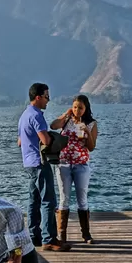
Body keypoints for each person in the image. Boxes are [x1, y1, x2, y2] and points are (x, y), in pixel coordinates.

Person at [18, 82, 61, 250]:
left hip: (28, 163)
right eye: (46, 96)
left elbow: (20, 142)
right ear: (38, 97)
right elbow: (45, 140)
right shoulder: (37, 116)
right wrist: (54, 139)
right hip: (40, 162)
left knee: (34, 200)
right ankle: (49, 239)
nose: (48, 100)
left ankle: (34, 236)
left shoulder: (23, 116)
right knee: (48, 200)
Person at [50, 94, 98, 245]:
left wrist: (87, 132)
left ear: (86, 109)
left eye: (80, 108)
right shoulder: (67, 120)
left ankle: (86, 234)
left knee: (82, 200)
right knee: (64, 199)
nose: (77, 110)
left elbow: (91, 147)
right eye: (75, 107)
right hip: (63, 164)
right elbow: (53, 126)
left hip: (81, 165)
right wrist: (65, 114)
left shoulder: (91, 123)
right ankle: (62, 235)